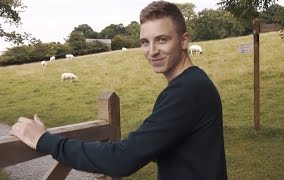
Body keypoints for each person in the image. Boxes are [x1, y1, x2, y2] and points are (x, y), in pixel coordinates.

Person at [9, 1, 228, 179]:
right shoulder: (193, 83)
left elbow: (121, 160)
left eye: (162, 40)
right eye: (144, 42)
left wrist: (45, 140)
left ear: (184, 40)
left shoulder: (187, 91)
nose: (152, 51)